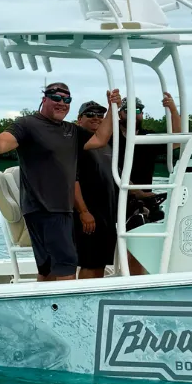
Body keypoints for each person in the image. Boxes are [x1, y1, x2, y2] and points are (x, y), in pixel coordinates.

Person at [0, 83, 119, 282]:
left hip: (57, 210)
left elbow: (100, 139)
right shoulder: (27, 125)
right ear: (44, 99)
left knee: (47, 270)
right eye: (56, 97)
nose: (62, 103)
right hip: (46, 209)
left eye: (67, 99)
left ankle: (41, 311)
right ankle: (69, 313)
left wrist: (112, 108)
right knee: (66, 270)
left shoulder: (71, 131)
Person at [116, 92, 182, 275]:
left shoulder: (147, 137)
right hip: (114, 198)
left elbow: (177, 139)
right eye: (129, 110)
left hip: (142, 201)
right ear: (120, 114)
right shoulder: (111, 138)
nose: (134, 114)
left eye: (138, 110)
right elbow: (109, 166)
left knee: (140, 248)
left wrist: (173, 109)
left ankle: (136, 283)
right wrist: (135, 191)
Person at [72, 100, 117, 279]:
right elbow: (71, 179)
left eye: (100, 115)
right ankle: (82, 304)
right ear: (79, 119)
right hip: (88, 214)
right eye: (90, 114)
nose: (96, 118)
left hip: (106, 213)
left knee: (100, 262)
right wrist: (83, 211)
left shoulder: (106, 143)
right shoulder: (75, 141)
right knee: (90, 262)